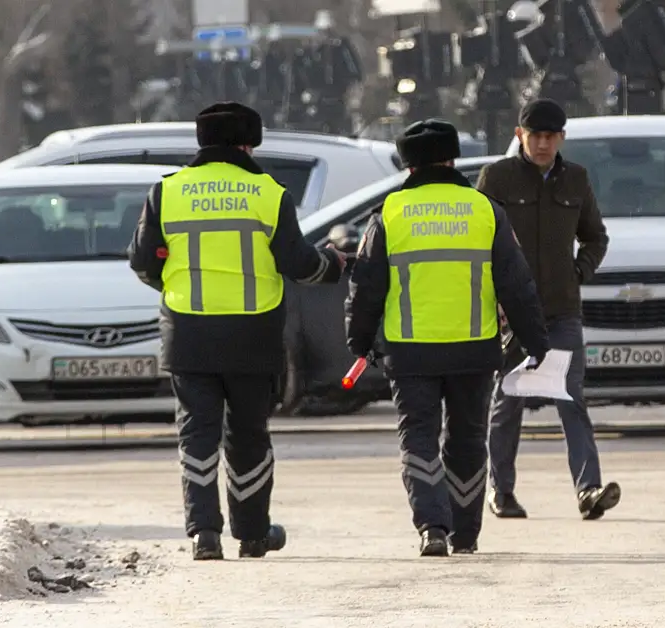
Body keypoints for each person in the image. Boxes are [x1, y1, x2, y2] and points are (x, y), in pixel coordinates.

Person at [128, 102, 346, 560]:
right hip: (253, 336)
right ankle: (252, 533)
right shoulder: (268, 193)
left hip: (188, 334)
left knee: (197, 432)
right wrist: (333, 265)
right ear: (249, 144)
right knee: (248, 434)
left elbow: (143, 263)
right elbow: (299, 264)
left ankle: (203, 533)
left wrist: (174, 285)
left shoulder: (168, 191)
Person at [344, 119, 550, 556]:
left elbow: (366, 286)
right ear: (452, 158)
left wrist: (359, 341)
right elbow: (517, 284)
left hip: (410, 351)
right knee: (468, 440)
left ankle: (432, 527)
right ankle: (466, 534)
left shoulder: (390, 214)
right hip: (474, 350)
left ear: (407, 165)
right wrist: (537, 343)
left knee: (418, 437)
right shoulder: (484, 210)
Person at [475, 98, 621, 521]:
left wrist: (577, 272)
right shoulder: (497, 178)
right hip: (511, 314)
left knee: (572, 399)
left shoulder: (575, 179)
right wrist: (495, 296)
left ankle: (589, 490)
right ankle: (500, 491)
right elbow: (478, 241)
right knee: (508, 403)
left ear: (561, 138)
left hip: (561, 312)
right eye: (534, 135)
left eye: (550, 136)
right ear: (519, 135)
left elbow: (596, 237)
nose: (542, 144)